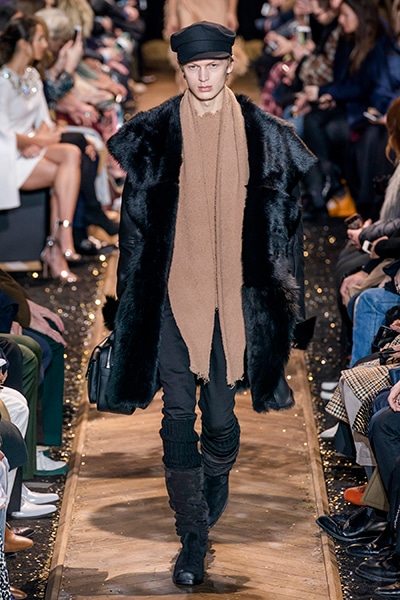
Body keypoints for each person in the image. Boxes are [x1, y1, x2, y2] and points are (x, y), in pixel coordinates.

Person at [106, 21, 315, 586]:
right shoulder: (153, 137)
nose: (202, 77)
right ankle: (192, 539)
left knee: (221, 419)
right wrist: (127, 309)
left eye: (212, 66)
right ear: (182, 70)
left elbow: (286, 236)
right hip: (171, 296)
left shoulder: (266, 138)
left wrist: (287, 311)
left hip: (235, 300)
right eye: (193, 68)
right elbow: (134, 235)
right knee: (177, 414)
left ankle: (214, 480)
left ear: (229, 65)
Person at [0, 15, 81, 282]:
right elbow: (4, 133)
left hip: (32, 147)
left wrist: (37, 140)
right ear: (23, 44)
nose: (45, 45)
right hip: (7, 155)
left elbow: (44, 120)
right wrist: (35, 141)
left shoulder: (33, 75)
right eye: (40, 39)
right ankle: (57, 245)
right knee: (63, 171)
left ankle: (61, 236)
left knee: (71, 153)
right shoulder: (2, 80)